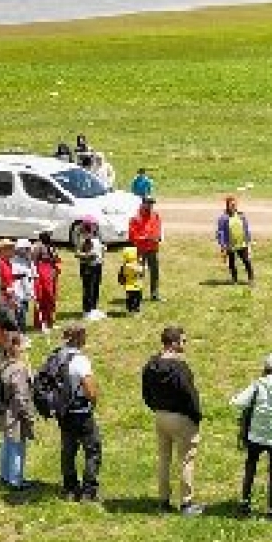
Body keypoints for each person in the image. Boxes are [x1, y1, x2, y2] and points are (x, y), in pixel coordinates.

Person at [141, 326, 203, 515]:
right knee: (186, 460)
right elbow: (190, 395)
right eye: (183, 341)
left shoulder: (151, 365)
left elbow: (146, 392)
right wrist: (196, 416)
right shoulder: (180, 368)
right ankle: (186, 503)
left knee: (164, 459)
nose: (185, 345)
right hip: (181, 417)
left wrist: (155, 407)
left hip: (160, 415)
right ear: (174, 343)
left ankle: (163, 500)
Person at [232, 352, 272, 517]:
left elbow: (237, 402)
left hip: (256, 435)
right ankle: (271, 508)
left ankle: (245, 502)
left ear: (265, 368)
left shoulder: (258, 384)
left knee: (250, 466)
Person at [54, 322, 102, 503]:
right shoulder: (80, 360)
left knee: (68, 450)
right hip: (81, 412)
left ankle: (69, 488)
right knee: (92, 449)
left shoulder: (58, 356)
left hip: (63, 411)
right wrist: (94, 402)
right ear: (80, 338)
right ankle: (89, 491)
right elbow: (90, 390)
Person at [0, 330, 40, 490]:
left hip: (6, 410)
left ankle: (6, 475)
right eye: (23, 345)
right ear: (16, 347)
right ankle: (16, 480)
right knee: (17, 446)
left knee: (8, 443)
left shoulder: (4, 363)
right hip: (15, 413)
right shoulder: (19, 368)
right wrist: (29, 415)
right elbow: (21, 395)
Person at [215, 195, 255, 285]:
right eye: (231, 204)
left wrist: (249, 242)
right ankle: (234, 279)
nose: (233, 206)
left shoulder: (241, 215)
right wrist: (223, 246)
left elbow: (246, 229)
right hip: (230, 245)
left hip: (242, 244)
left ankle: (251, 279)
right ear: (227, 205)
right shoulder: (223, 218)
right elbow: (220, 232)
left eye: (235, 204)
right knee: (232, 263)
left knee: (246, 261)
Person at [129, 196, 163, 301]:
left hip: (153, 248)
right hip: (141, 249)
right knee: (139, 272)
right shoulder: (135, 218)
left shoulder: (155, 215)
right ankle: (136, 295)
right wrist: (146, 238)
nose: (150, 206)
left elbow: (158, 228)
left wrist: (158, 237)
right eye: (148, 203)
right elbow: (132, 237)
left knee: (155, 271)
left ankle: (155, 294)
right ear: (143, 203)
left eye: (152, 204)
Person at [74, 218, 106, 318]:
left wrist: (103, 249)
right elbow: (77, 253)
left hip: (97, 265)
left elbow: (99, 248)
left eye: (95, 225)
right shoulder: (82, 238)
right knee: (88, 288)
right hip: (87, 266)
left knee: (96, 286)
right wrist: (88, 255)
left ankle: (94, 308)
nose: (95, 227)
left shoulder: (96, 237)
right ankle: (87, 311)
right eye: (93, 225)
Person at [32, 231, 61, 333]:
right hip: (42, 273)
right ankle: (40, 323)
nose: (50, 237)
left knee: (52, 297)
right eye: (48, 235)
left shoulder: (51, 246)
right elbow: (34, 261)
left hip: (51, 272)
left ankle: (50, 321)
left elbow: (55, 258)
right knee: (43, 297)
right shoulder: (37, 247)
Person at [8, 238, 38, 328]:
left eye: (28, 249)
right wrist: (22, 275)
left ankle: (22, 332)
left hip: (26, 291)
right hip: (17, 292)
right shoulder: (13, 260)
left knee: (24, 311)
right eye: (25, 249)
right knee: (19, 313)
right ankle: (19, 333)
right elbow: (12, 275)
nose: (27, 251)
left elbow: (34, 275)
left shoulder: (29, 261)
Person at [118, 249, 145, 314]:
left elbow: (121, 275)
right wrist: (142, 265)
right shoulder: (136, 266)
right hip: (137, 285)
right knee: (137, 298)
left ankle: (130, 308)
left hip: (128, 286)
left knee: (129, 298)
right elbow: (141, 273)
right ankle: (136, 309)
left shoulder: (124, 266)